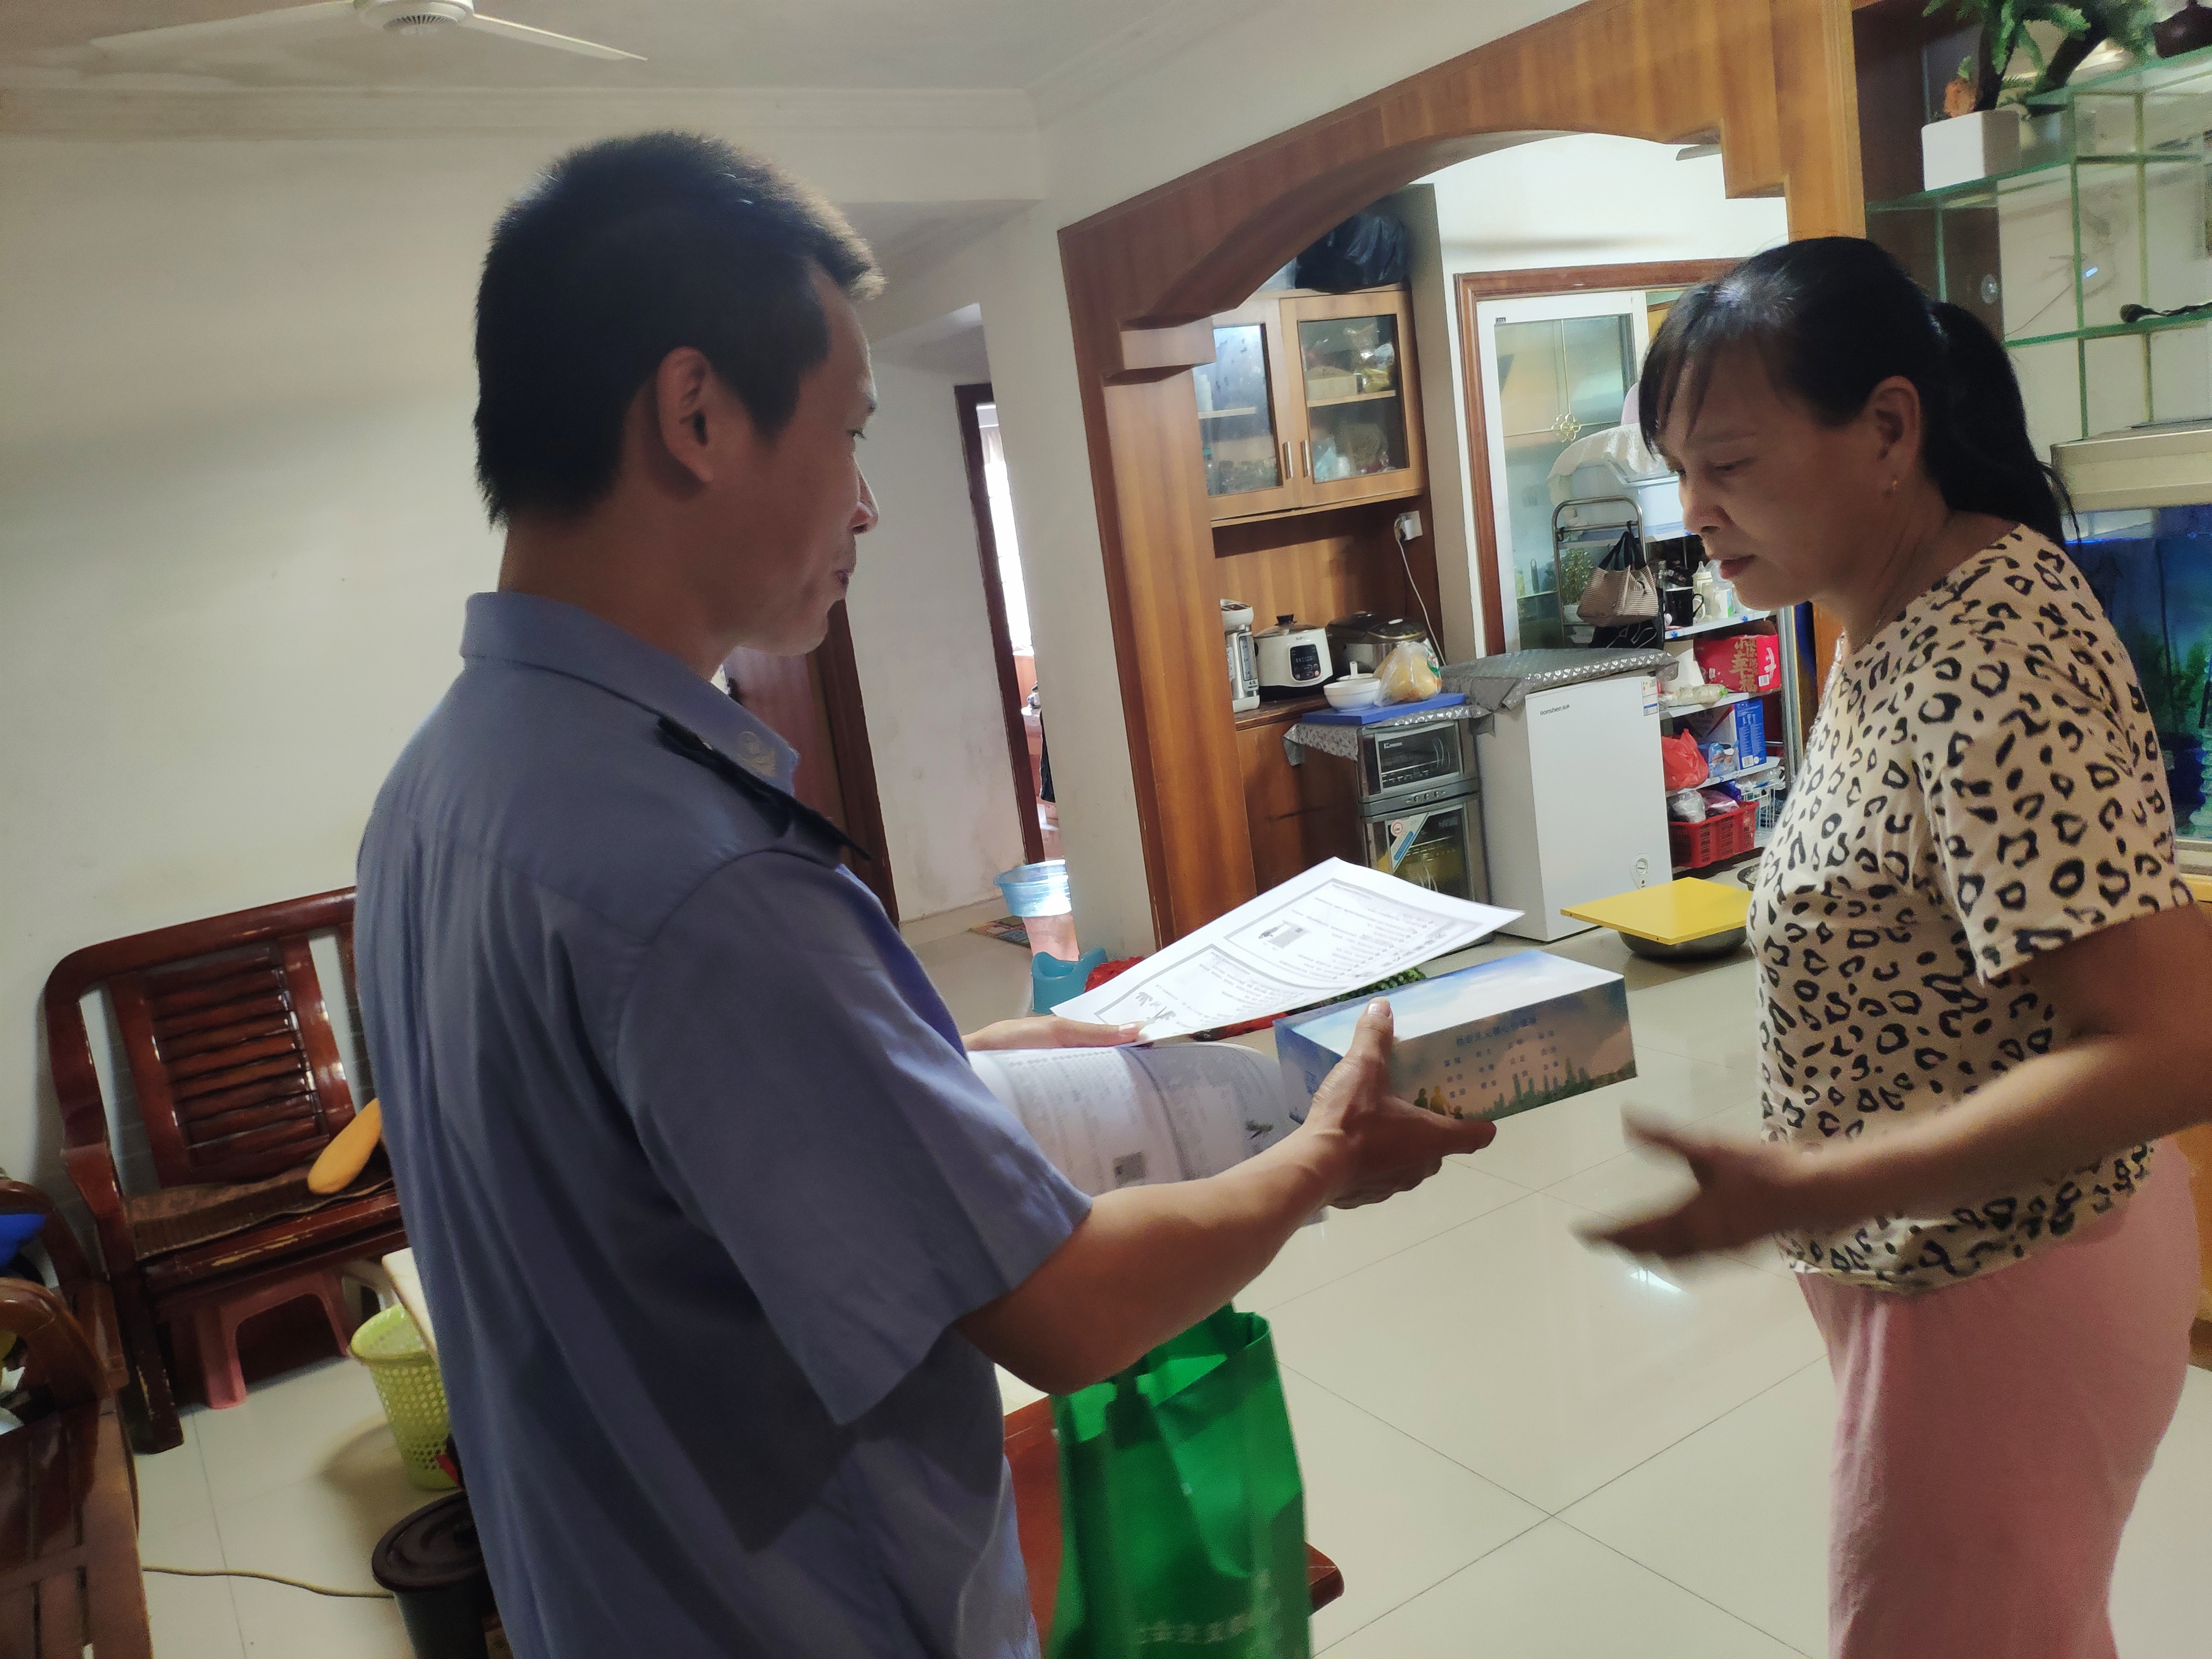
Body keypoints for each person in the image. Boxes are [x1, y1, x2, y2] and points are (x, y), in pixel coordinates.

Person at [353, 132, 1493, 1659]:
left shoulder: (436, 791)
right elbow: (1066, 1314)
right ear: (697, 416)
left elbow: (665, 1162)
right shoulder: (705, 880)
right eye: (847, 431)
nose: (867, 505)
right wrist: (1318, 1160)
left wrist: (977, 1060)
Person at [1592, 238, 2212, 1659]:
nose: (1693, 512)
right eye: (1679, 470)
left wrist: (1823, 1180)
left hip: (2004, 1276)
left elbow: (2177, 1042)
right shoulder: (1891, 611)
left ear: (1885, 431)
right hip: (1940, 1266)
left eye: (1728, 464)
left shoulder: (1991, 650)